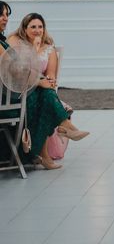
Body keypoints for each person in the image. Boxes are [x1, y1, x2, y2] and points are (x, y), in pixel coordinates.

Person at [4, 13, 89, 170]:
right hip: (21, 91)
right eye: (33, 27)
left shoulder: (49, 48)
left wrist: (48, 81)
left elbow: (50, 74)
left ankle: (47, 153)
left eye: (40, 27)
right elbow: (19, 72)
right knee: (45, 97)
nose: (37, 30)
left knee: (46, 94)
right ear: (24, 28)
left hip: (40, 89)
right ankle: (65, 126)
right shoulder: (15, 42)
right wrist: (34, 49)